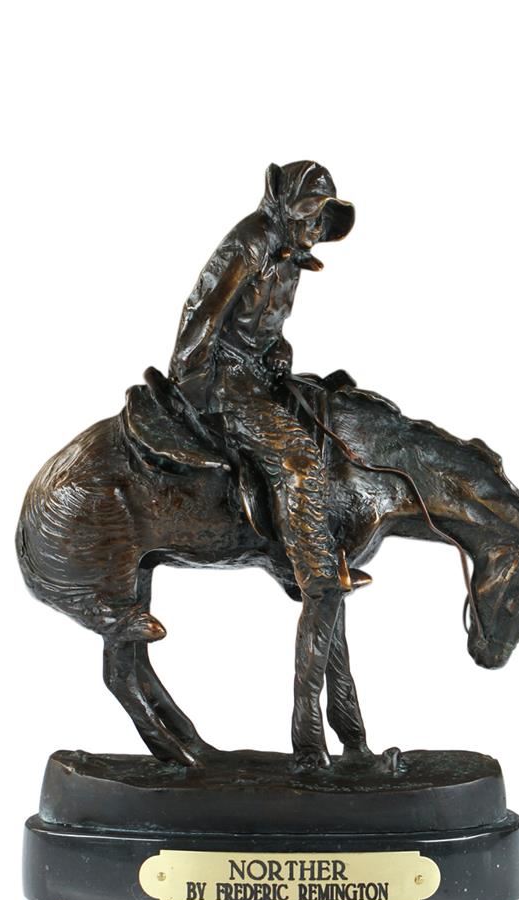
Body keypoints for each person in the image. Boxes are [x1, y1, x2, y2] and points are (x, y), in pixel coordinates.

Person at [168, 161, 369, 598]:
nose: (315, 229)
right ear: (287, 208)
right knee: (297, 458)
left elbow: (261, 326)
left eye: (322, 220)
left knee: (330, 420)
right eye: (311, 216)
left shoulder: (289, 254)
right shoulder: (253, 241)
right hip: (225, 377)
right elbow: (203, 314)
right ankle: (315, 571)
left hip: (258, 373)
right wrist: (193, 387)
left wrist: (278, 350)